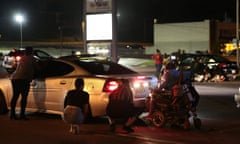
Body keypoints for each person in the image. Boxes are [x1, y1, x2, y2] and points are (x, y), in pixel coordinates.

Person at [10, 46, 38, 120]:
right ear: (31, 52)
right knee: (24, 97)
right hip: (24, 79)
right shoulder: (32, 58)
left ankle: (12, 114)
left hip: (15, 78)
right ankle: (22, 115)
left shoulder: (22, 58)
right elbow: (38, 68)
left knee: (15, 96)